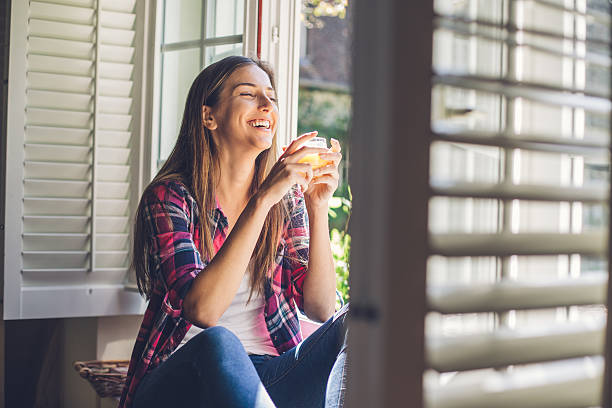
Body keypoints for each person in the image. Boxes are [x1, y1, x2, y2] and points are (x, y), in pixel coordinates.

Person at [118, 55, 349, 408]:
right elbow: (203, 312)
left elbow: (320, 307)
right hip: (181, 376)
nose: (266, 105)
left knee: (354, 320)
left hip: (268, 375)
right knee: (219, 340)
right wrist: (262, 200)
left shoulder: (287, 202)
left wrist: (317, 207)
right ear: (209, 116)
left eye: (270, 97)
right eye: (248, 93)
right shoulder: (171, 198)